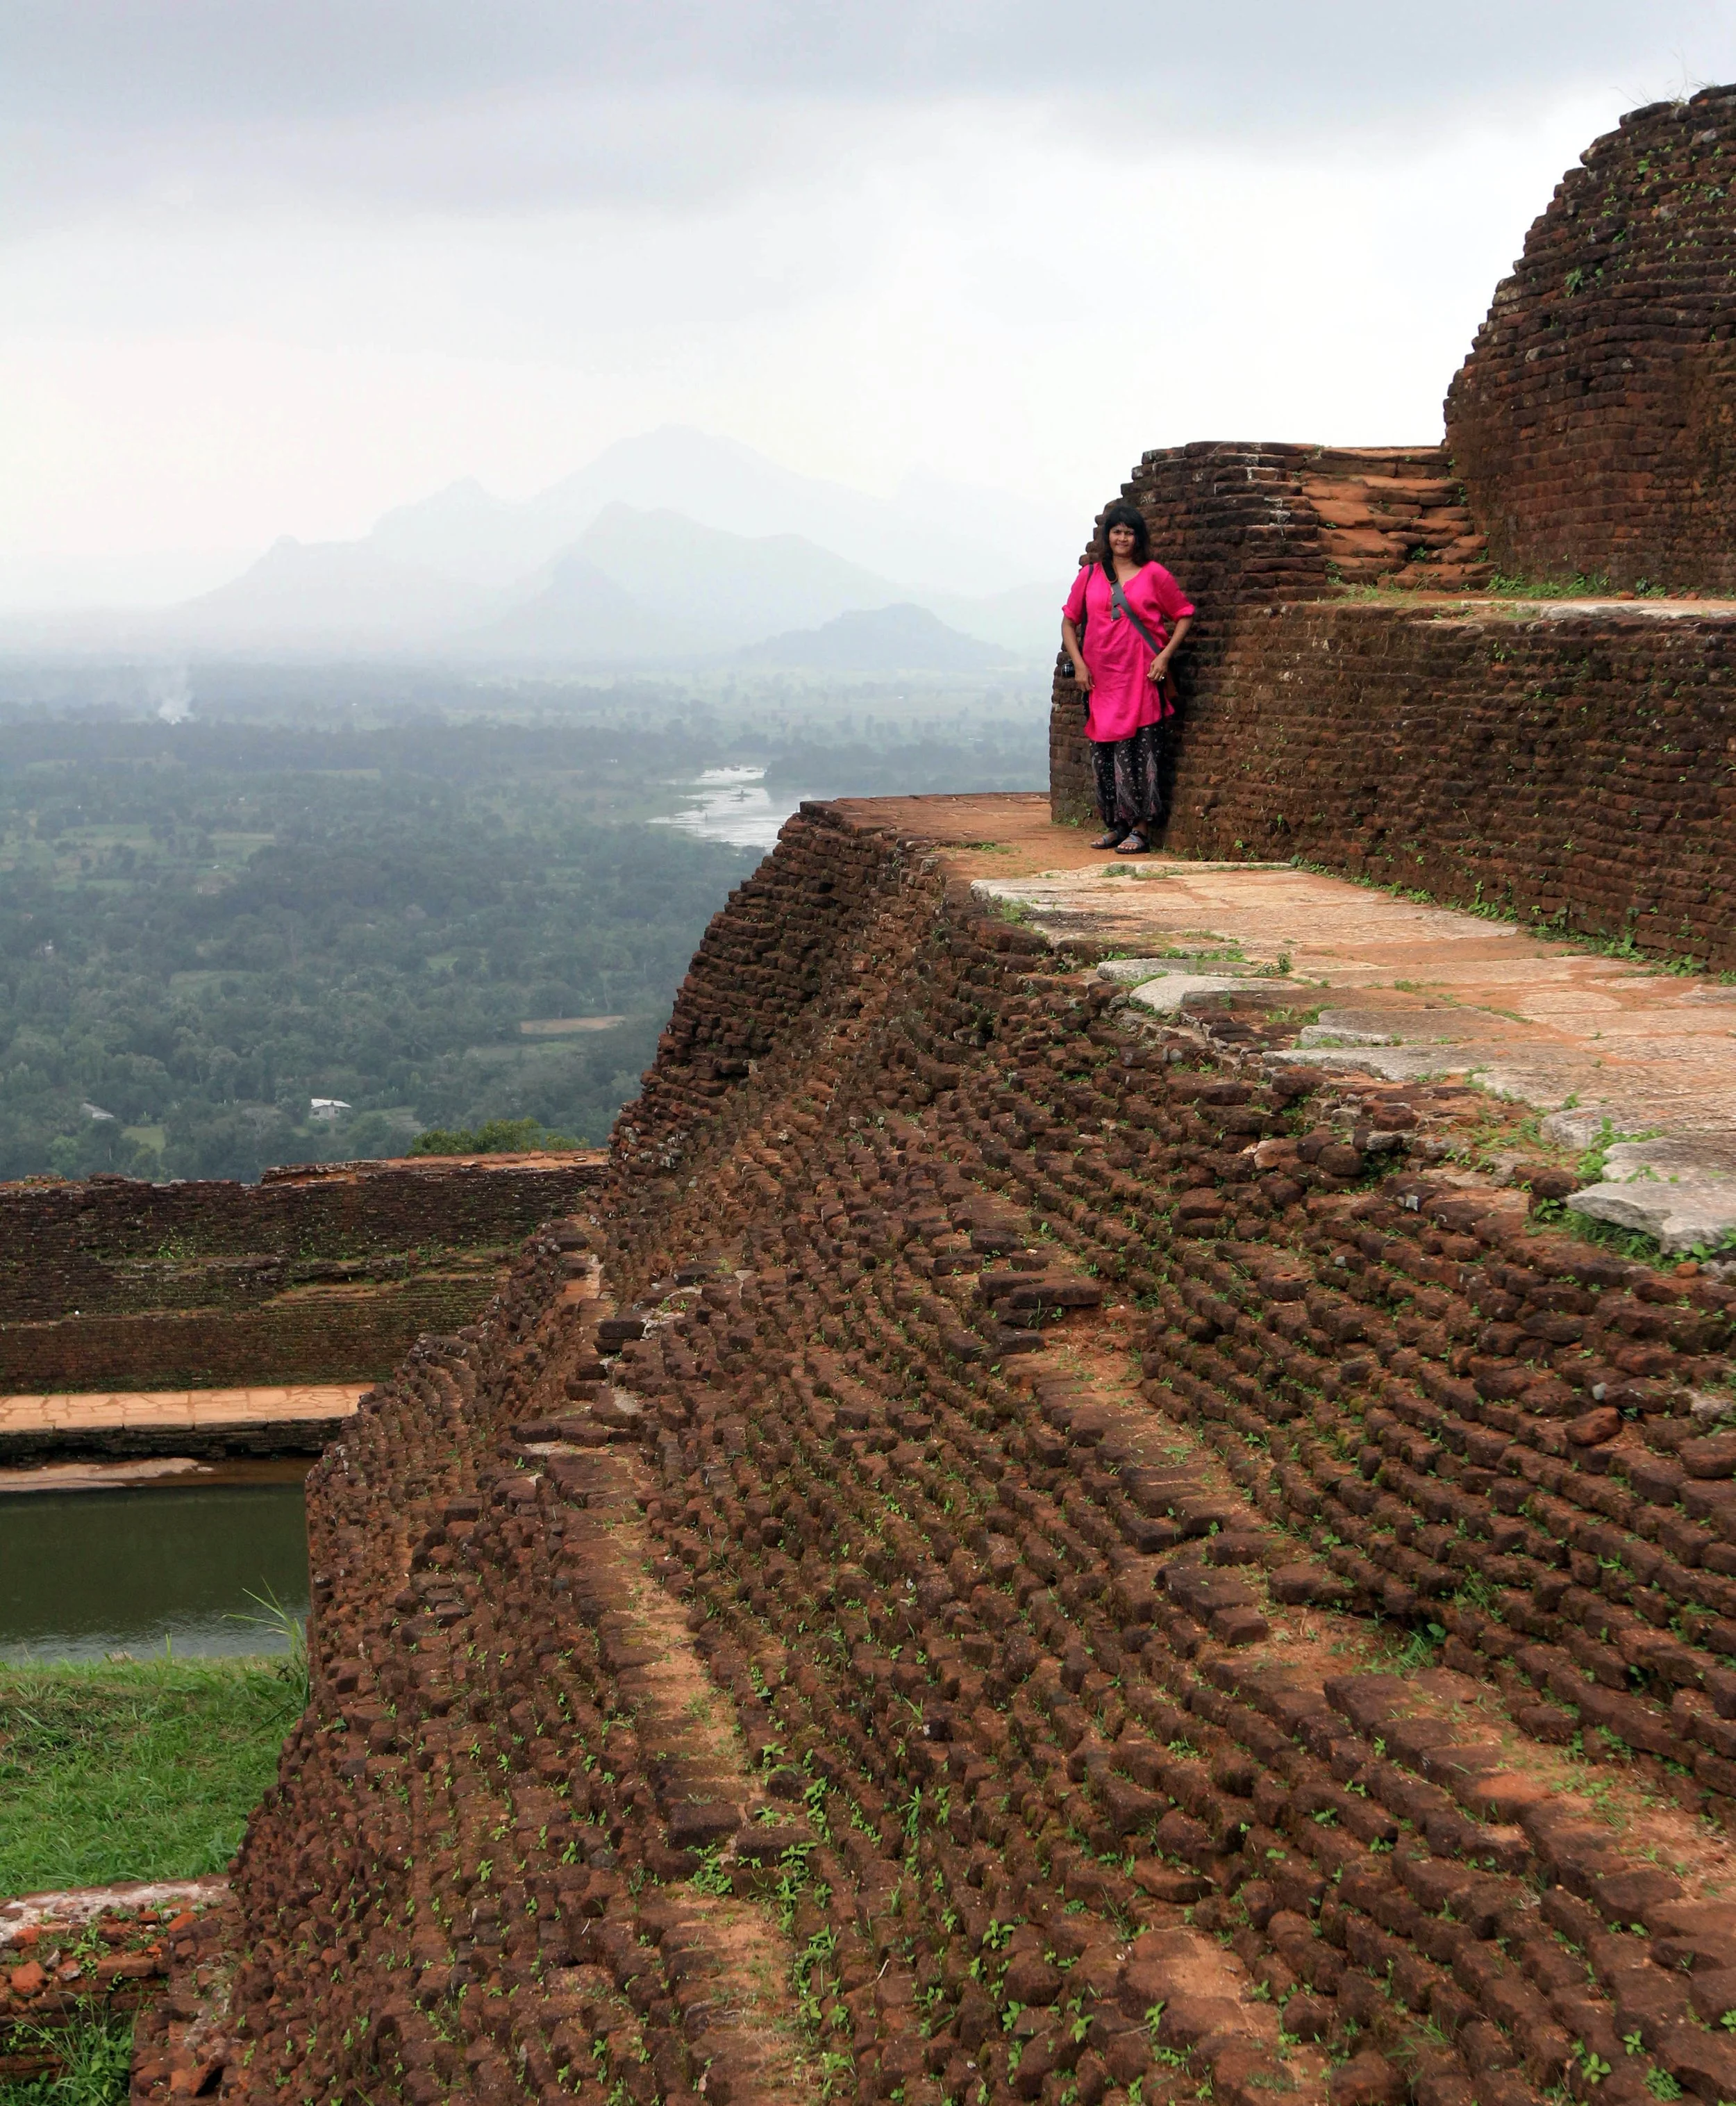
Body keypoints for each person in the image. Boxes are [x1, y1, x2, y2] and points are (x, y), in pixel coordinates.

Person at [1061, 501, 1195, 853]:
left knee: (1139, 753)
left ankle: (1141, 828)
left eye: (1129, 532)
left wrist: (1165, 657)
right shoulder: (1089, 576)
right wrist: (1079, 664)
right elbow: (1069, 621)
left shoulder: (1155, 575)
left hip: (1141, 678)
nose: (1122, 538)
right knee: (1105, 755)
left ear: (1139, 538)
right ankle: (1116, 825)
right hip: (1100, 680)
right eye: (1117, 531)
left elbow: (1184, 614)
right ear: (1109, 536)